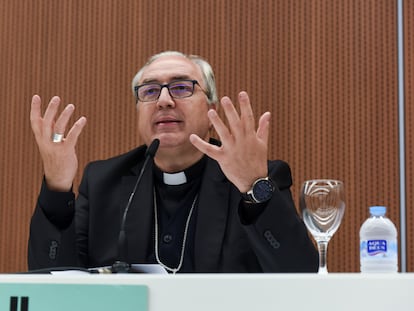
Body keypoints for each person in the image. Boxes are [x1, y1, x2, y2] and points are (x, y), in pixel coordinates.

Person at [28, 50, 318, 273]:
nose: (164, 100)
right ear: (138, 111)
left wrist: (254, 187)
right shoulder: (104, 181)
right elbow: (53, 280)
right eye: (150, 91)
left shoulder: (255, 177)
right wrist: (56, 188)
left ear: (210, 111)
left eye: (181, 88)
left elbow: (300, 274)